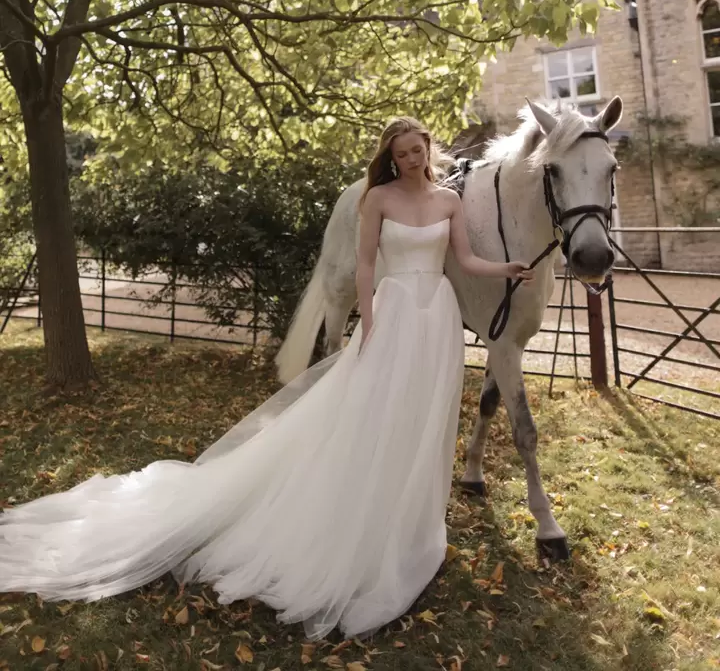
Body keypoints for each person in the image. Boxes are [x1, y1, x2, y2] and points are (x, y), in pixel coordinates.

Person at [0, 117, 533, 641]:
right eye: (402, 154)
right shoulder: (379, 199)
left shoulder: (448, 201)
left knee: (425, 420)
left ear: (428, 148)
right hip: (393, 315)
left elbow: (461, 259)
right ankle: (364, 517)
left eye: (418, 150)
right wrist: (368, 323)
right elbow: (367, 266)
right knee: (376, 414)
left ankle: (412, 523)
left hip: (436, 319)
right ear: (391, 159)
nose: (412, 160)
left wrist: (506, 268)